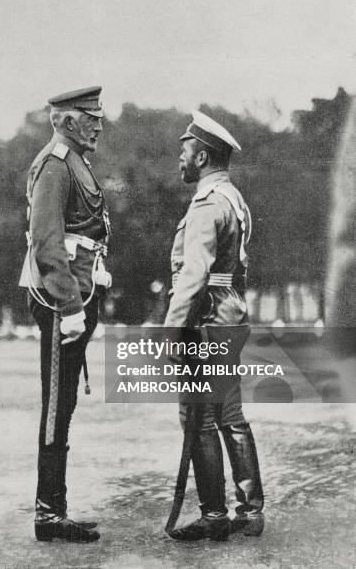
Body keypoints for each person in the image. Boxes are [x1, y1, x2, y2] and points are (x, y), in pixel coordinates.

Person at [164, 110, 264, 541]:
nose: (180, 160)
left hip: (205, 318)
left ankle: (214, 514)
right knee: (229, 414)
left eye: (185, 152)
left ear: (202, 156)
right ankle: (250, 510)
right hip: (230, 312)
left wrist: (172, 329)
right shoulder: (234, 198)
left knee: (198, 418)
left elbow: (194, 273)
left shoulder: (207, 203)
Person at [19, 86, 111, 543]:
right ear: (68, 121)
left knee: (66, 403)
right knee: (57, 405)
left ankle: (55, 506)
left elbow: (84, 230)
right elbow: (46, 242)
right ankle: (49, 515)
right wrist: (71, 305)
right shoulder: (56, 164)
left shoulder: (76, 161)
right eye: (91, 117)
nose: (99, 124)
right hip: (61, 301)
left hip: (77, 292)